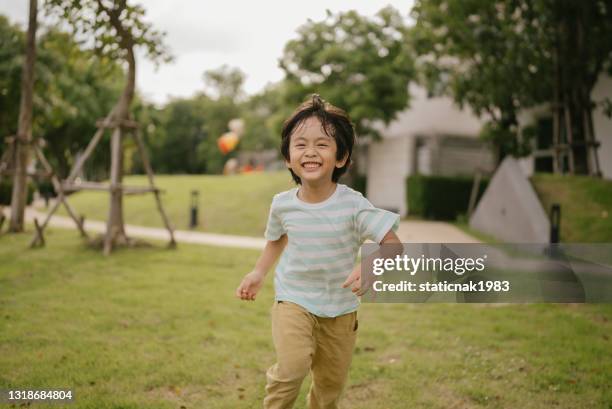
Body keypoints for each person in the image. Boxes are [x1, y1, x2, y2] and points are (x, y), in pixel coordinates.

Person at [235, 94, 401, 409]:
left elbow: (393, 244)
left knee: (329, 387)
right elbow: (277, 239)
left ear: (341, 158)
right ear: (288, 158)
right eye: (300, 144)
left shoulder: (353, 204)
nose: (310, 151)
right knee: (292, 367)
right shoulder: (282, 204)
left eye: (322, 144)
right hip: (294, 299)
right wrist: (258, 272)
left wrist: (370, 265)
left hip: (340, 309)